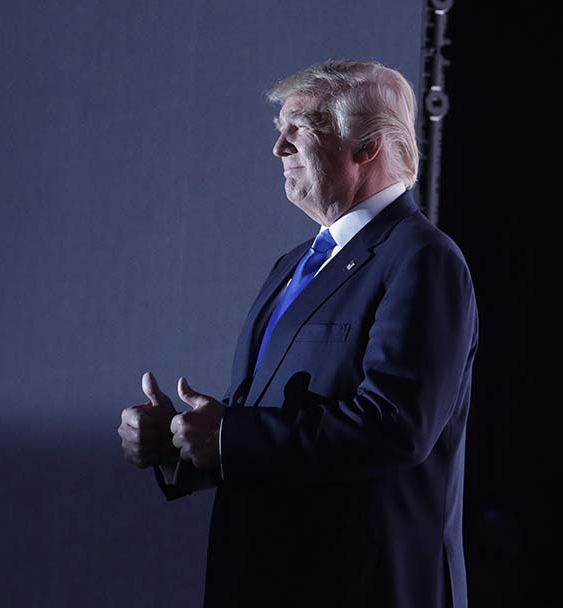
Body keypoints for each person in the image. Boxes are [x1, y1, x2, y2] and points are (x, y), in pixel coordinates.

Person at [118, 59, 478, 608]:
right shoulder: (295, 264)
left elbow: (395, 427)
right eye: (278, 131)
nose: (278, 149)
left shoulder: (423, 260)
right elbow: (270, 426)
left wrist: (226, 438)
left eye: (300, 130)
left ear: (367, 149)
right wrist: (179, 442)